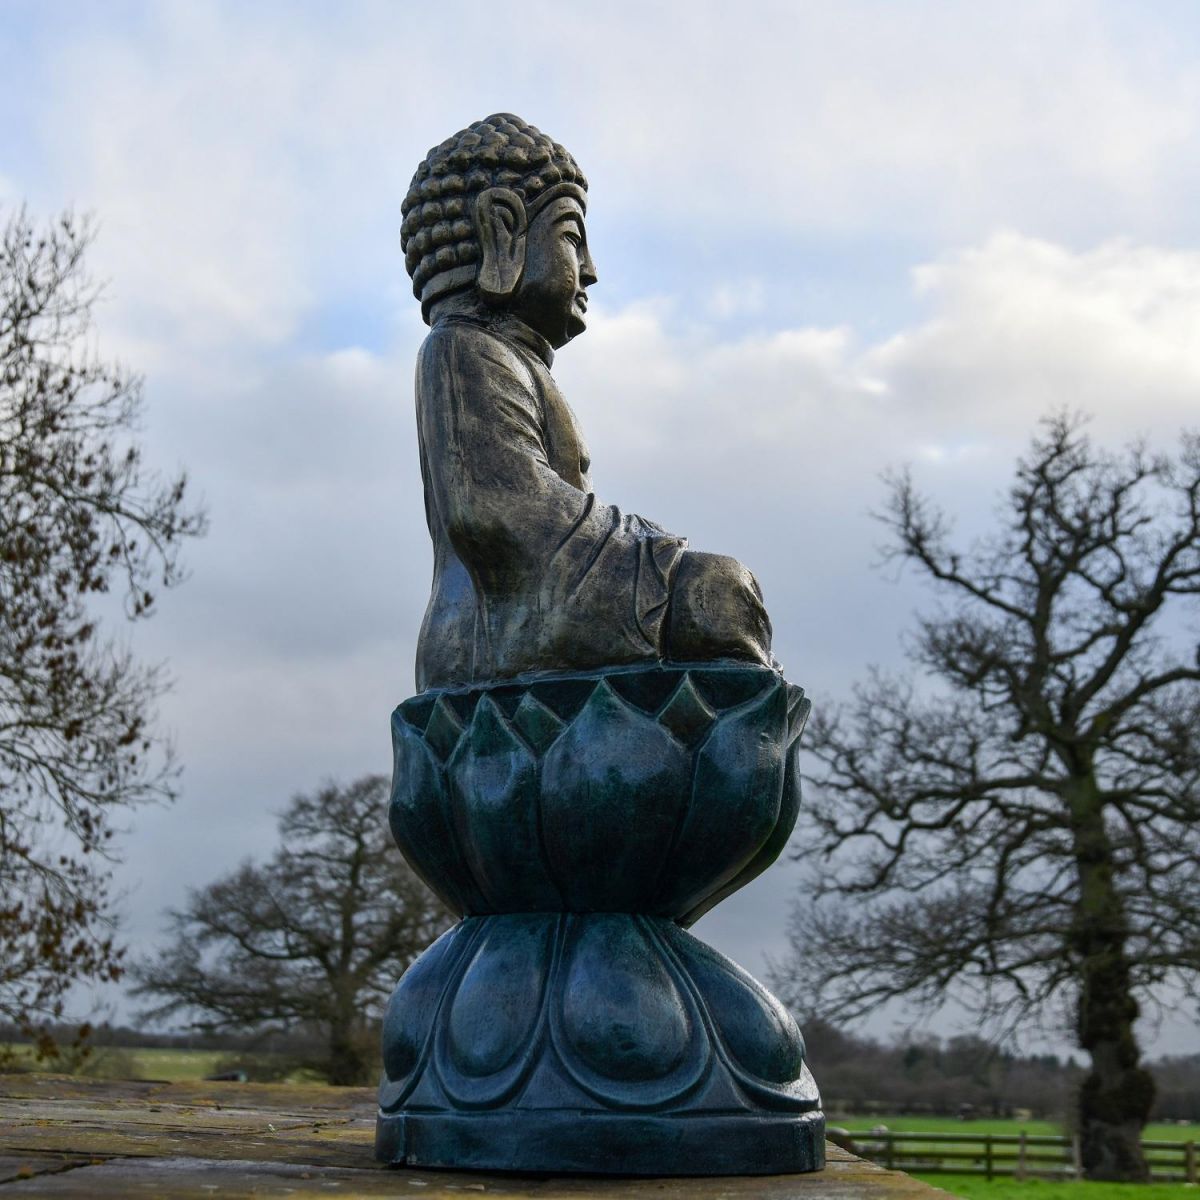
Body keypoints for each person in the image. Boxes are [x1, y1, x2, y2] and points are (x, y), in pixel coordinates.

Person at [402, 114, 773, 692]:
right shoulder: (461, 350)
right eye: (573, 238)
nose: (591, 272)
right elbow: (498, 510)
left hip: (541, 607)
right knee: (717, 592)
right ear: (503, 232)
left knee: (720, 595)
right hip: (498, 629)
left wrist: (642, 541)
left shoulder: (510, 359)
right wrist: (651, 551)